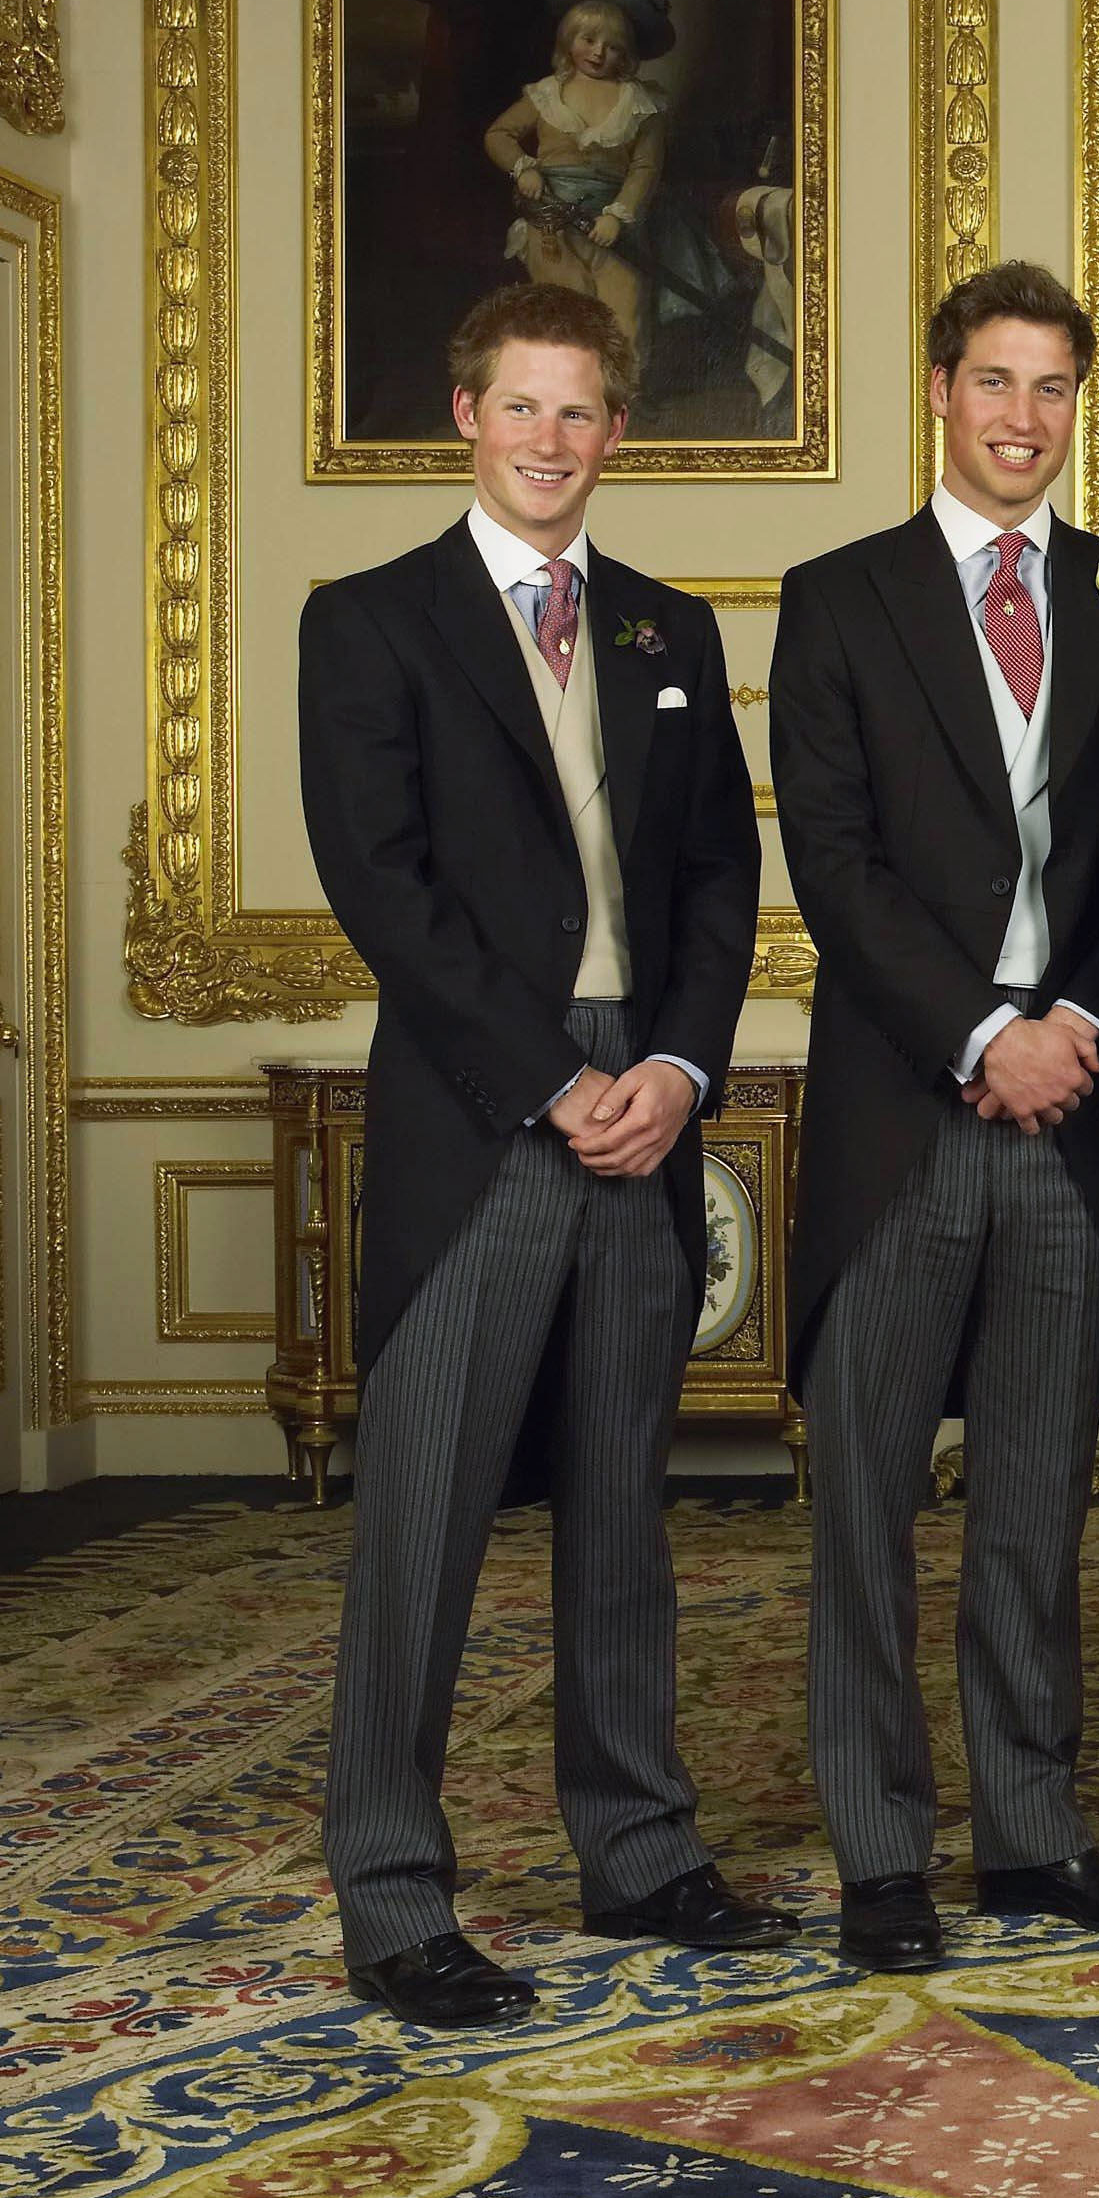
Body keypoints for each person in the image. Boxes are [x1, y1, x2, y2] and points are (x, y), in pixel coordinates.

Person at [301, 280, 782, 2028]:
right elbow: (388, 893)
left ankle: (640, 1847)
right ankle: (393, 1890)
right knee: (421, 1520)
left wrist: (671, 1061)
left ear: (617, 433)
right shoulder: (371, 625)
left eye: (581, 413)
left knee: (622, 1514)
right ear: (463, 415)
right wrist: (545, 1079)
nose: (551, 442)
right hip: (480, 1110)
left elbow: (723, 872)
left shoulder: (664, 629)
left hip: (641, 1100)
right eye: (523, 408)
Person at [771, 263, 1099, 1975]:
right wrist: (978, 1034)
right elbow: (837, 860)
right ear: (940, 390)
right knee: (865, 1501)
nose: (1024, 417)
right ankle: (882, 1849)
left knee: (1036, 1499)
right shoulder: (844, 596)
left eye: (1054, 388)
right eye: (997, 381)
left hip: (1078, 1113)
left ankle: (1033, 1833)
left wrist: (1077, 1022)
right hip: (909, 1112)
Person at [482, 0, 678, 369]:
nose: (599, 53)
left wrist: (618, 215)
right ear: (568, 40)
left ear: (628, 54)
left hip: (612, 228)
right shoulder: (547, 93)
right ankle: (569, 391)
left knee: (627, 305)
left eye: (614, 47)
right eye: (588, 40)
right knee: (568, 306)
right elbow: (498, 134)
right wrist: (523, 168)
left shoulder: (642, 103)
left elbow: (645, 167)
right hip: (552, 225)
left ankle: (623, 397)